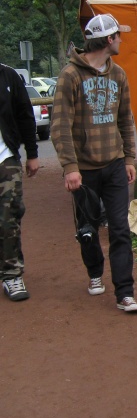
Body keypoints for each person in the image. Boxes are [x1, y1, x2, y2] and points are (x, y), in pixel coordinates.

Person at [51, 14, 137, 312]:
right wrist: (70, 167)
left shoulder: (119, 75)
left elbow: (125, 120)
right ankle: (94, 273)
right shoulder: (70, 76)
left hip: (114, 164)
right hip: (84, 170)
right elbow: (60, 125)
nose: (121, 40)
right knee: (87, 230)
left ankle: (125, 293)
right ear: (108, 40)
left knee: (119, 229)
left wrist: (129, 157)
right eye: (118, 36)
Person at [0, 63, 39, 301]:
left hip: (5, 159)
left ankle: (12, 274)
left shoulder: (8, 76)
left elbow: (25, 114)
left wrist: (32, 154)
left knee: (8, 218)